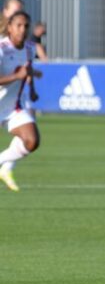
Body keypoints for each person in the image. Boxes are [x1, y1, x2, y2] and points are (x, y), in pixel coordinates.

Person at [0, 11, 42, 192]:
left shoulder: (30, 48)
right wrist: (17, 76)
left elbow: (27, 69)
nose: (22, 30)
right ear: (9, 27)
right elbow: (18, 74)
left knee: (32, 141)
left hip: (11, 107)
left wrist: (32, 89)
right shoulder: (1, 48)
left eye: (26, 26)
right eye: (18, 25)